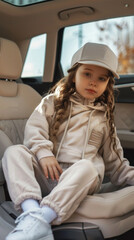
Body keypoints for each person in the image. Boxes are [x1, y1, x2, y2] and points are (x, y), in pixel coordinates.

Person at [2, 42, 134, 240]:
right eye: (87, 74)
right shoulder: (51, 102)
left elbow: (116, 164)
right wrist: (44, 153)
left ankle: (42, 218)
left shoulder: (104, 118)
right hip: (47, 175)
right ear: (74, 74)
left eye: (102, 78)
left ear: (108, 84)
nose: (93, 82)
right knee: (14, 152)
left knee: (88, 167)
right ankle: (32, 214)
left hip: (78, 182)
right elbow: (34, 130)